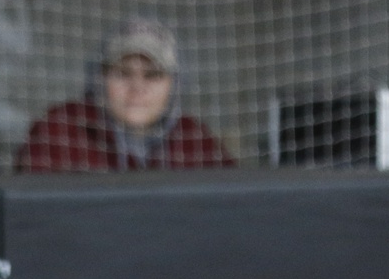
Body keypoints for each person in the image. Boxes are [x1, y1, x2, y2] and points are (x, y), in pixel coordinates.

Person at [16, 18, 234, 172]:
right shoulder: (58, 131)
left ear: (175, 85)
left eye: (152, 75)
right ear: (99, 79)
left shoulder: (195, 139)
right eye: (123, 73)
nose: (137, 87)